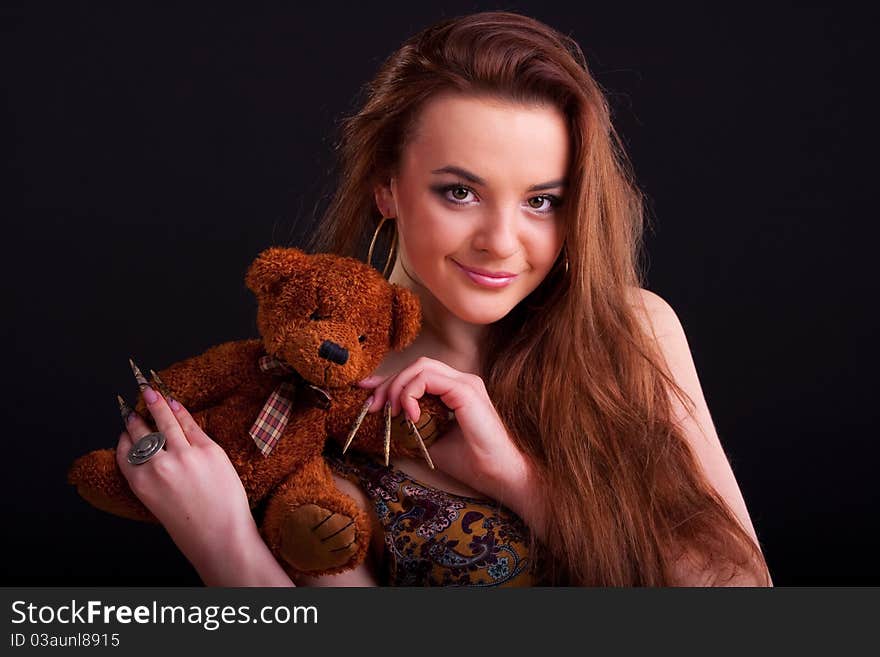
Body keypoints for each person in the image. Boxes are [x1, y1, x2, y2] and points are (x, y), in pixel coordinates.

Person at [115, 10, 773, 586]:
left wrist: (516, 479)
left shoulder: (632, 331)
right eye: (460, 191)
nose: (501, 242)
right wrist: (223, 540)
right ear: (387, 187)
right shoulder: (323, 397)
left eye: (542, 201)